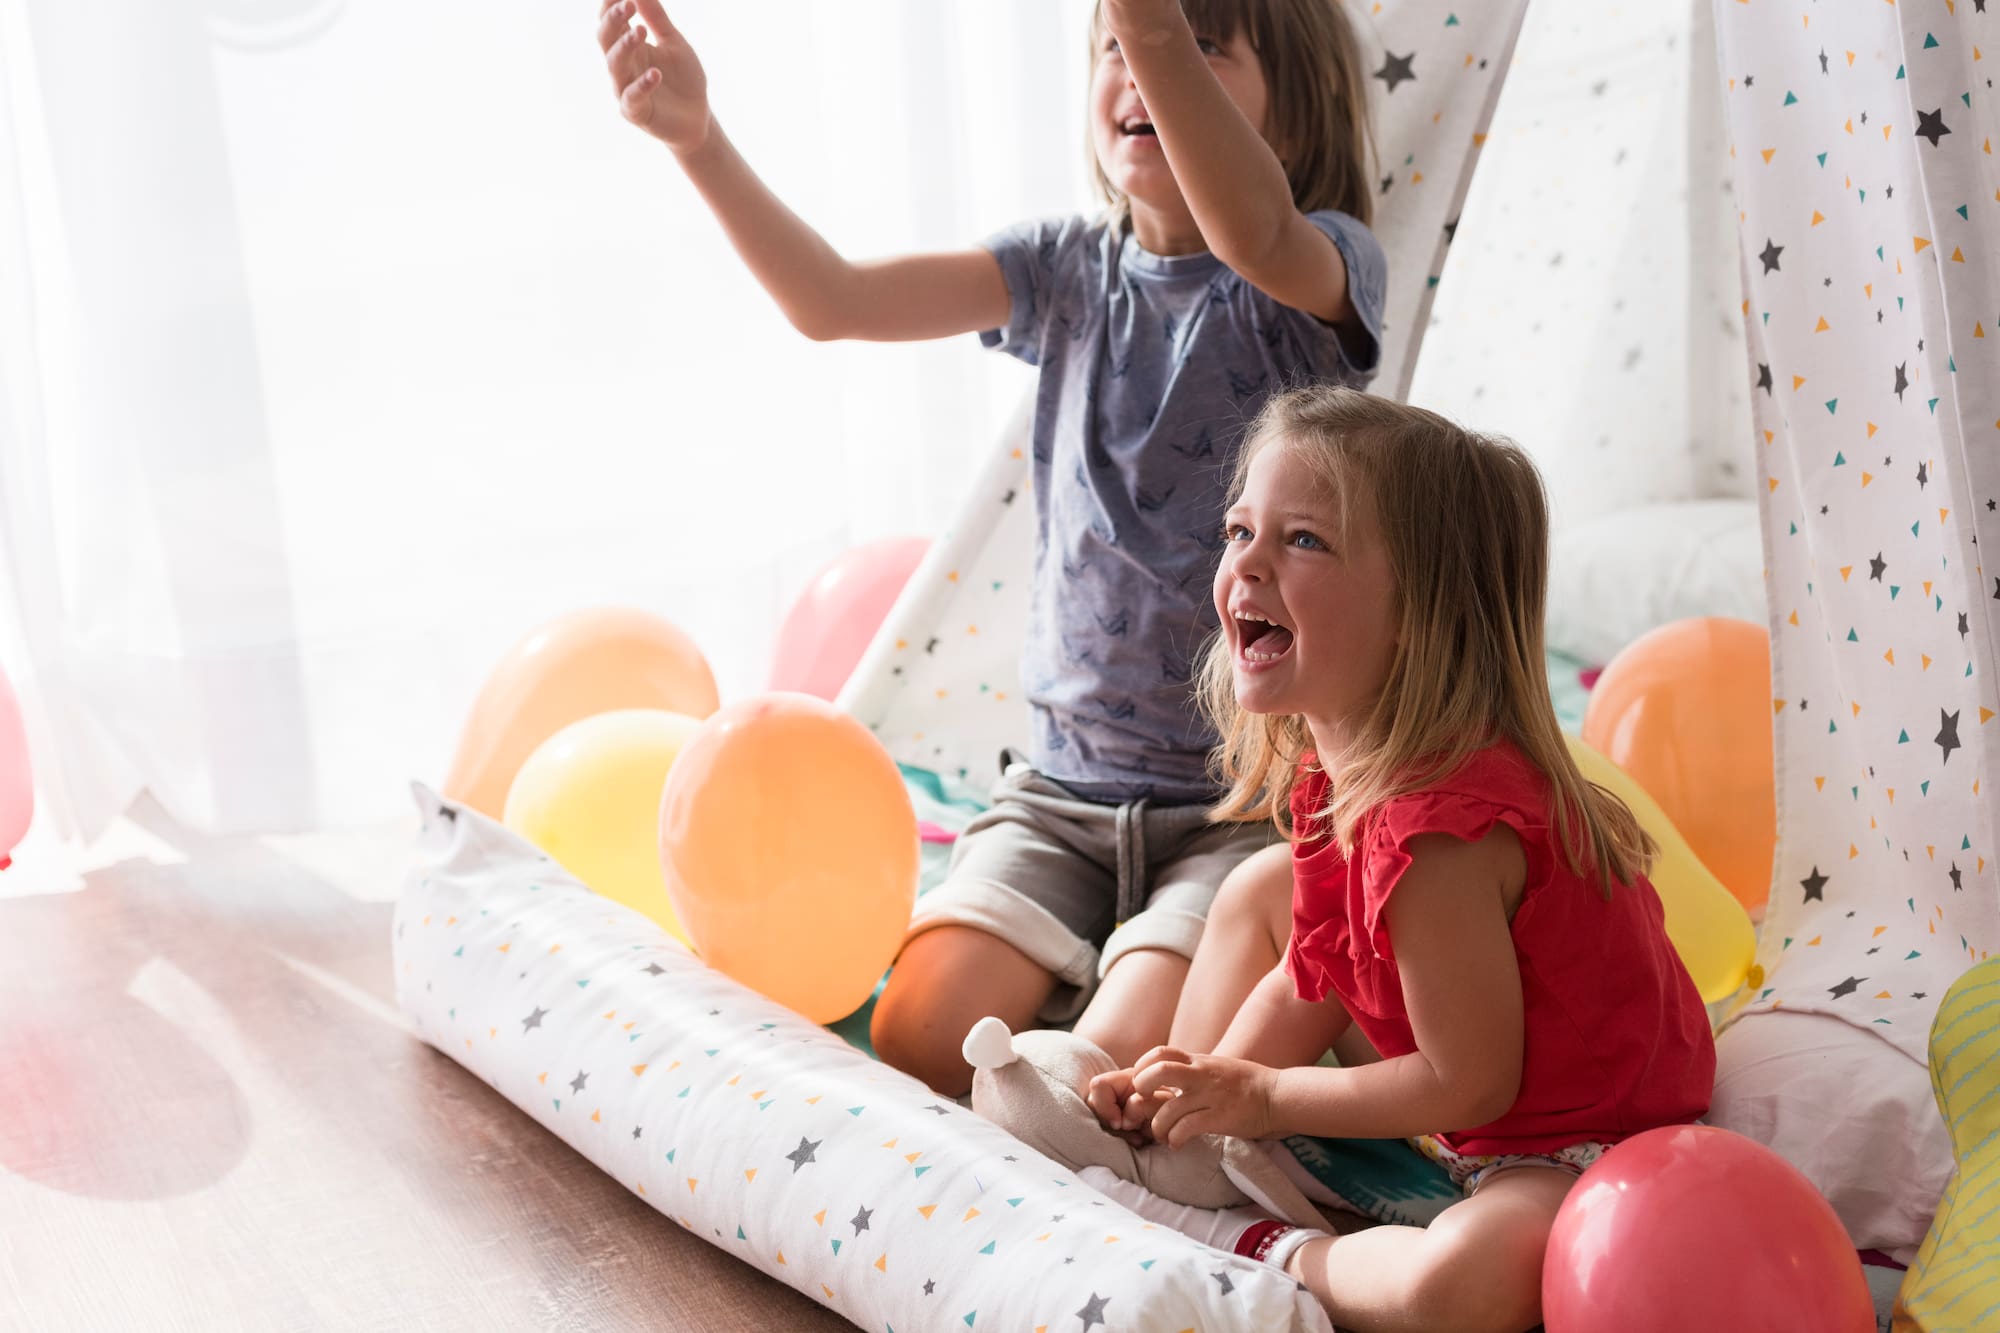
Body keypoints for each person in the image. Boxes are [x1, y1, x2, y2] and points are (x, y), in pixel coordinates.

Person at [598, 0, 1388, 1095]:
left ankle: (1123, 973)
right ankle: (1089, 961)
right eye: (1112, 46)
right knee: (922, 1033)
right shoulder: (1064, 271)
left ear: (1293, 122)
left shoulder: (1314, 277)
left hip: (1235, 814)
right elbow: (832, 301)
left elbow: (1254, 231)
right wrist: (699, 142)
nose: (1137, 65)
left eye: (1205, 45)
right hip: (1062, 794)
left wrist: (1151, 28)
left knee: (1110, 1069)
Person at [1080, 386, 1716, 1333]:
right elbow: (1316, 975)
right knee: (1259, 890)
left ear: (1417, 610)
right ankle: (1181, 1150)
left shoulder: (1441, 838)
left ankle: (1256, 1244)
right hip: (1459, 1078)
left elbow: (1472, 1082)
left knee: (1459, 1288)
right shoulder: (1343, 769)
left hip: (1574, 1138)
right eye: (1239, 529)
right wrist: (1206, 1086)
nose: (1246, 564)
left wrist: (1261, 1095)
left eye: (1303, 541)